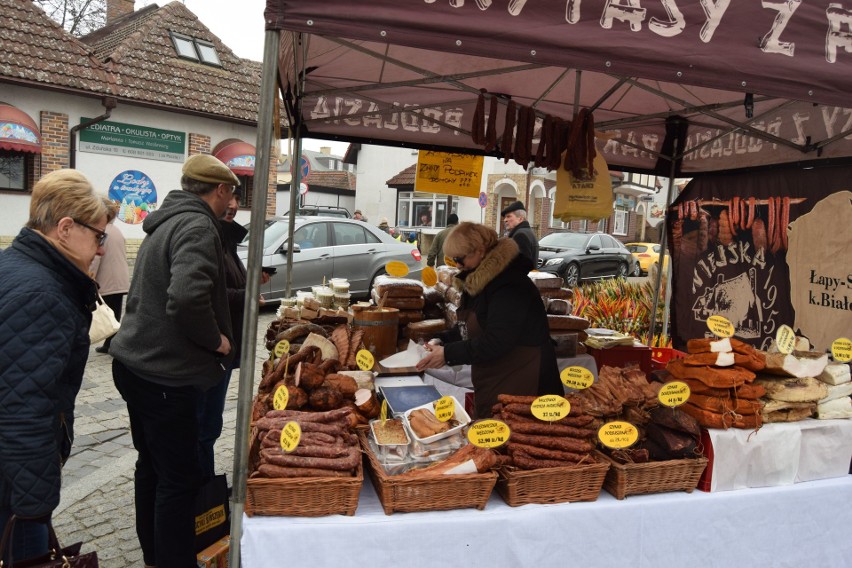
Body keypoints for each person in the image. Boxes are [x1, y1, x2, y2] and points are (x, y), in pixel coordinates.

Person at [110, 154, 237, 567]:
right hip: (167, 376)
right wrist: (215, 341)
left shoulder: (166, 219)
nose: (230, 202)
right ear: (220, 190)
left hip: (136, 365)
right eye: (231, 193)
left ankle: (154, 554)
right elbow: (185, 298)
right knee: (178, 481)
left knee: (152, 468)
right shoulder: (198, 224)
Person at [0, 169, 108, 562]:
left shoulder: (14, 265)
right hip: (12, 480)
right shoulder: (43, 293)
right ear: (65, 228)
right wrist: (34, 505)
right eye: (98, 235)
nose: (100, 249)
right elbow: (24, 408)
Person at [415, 222, 561, 418]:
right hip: (498, 379)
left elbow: (497, 340)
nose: (457, 265)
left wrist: (448, 354)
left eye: (460, 259)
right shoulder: (478, 279)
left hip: (527, 383)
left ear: (481, 251)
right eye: (453, 260)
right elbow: (471, 328)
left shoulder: (509, 285)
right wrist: (442, 339)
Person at [196, 188, 269, 479]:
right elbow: (205, 295)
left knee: (209, 424)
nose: (234, 206)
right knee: (204, 425)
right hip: (212, 350)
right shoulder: (207, 236)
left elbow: (226, 283)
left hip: (222, 347)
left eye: (237, 200)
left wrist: (251, 281)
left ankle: (204, 483)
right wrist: (248, 294)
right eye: (228, 199)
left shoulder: (224, 237)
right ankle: (202, 489)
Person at [90, 201, 129, 354]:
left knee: (108, 312)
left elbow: (96, 258)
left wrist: (89, 275)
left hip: (108, 279)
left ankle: (112, 343)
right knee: (115, 311)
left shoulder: (102, 231)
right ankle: (111, 343)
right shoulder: (116, 230)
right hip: (119, 277)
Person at [501, 200, 539, 268]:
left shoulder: (520, 236)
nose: (505, 220)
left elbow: (520, 266)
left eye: (509, 216)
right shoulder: (527, 232)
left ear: (520, 219)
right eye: (505, 217)